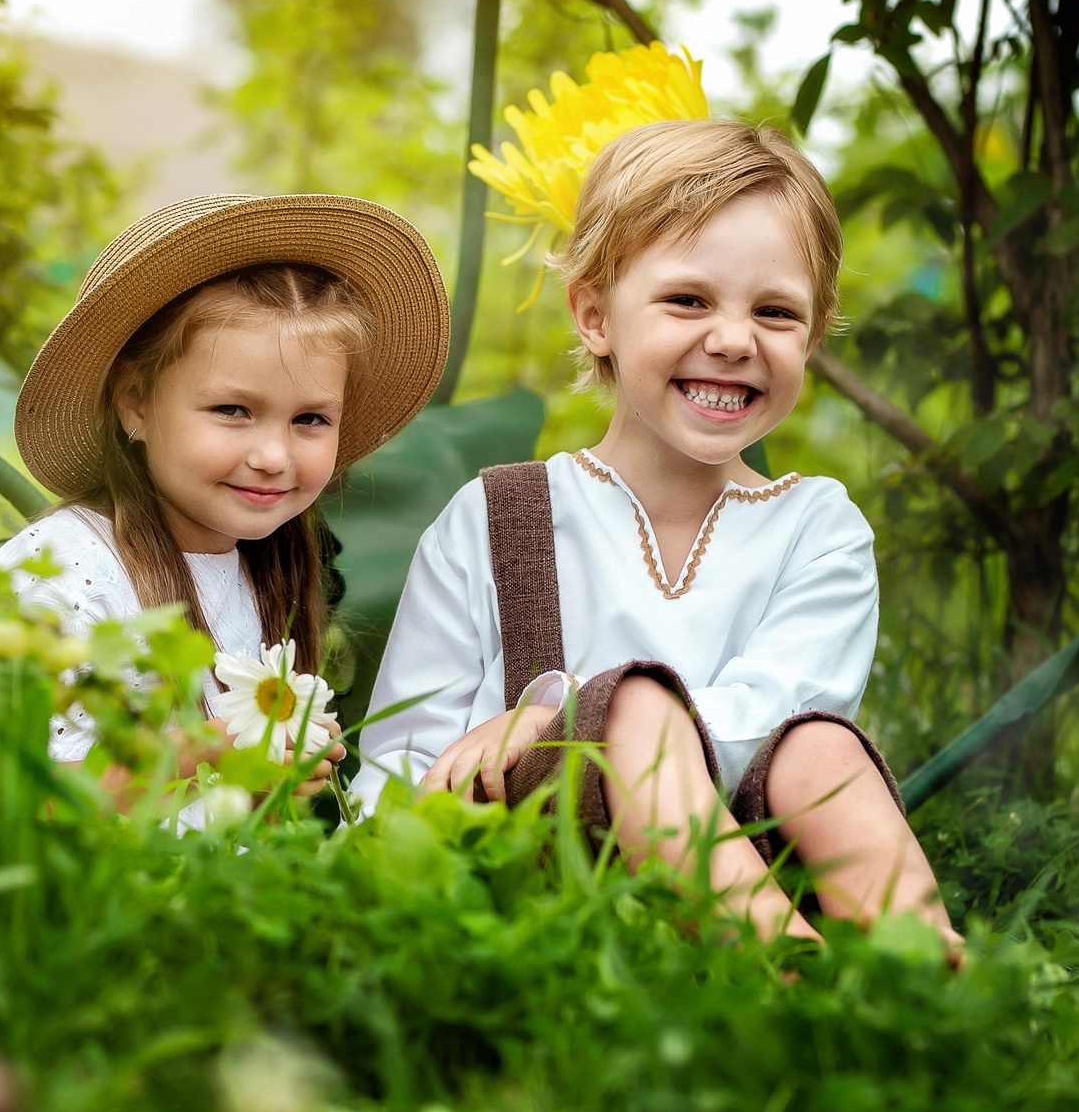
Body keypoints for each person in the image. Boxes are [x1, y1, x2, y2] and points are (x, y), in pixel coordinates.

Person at [358, 120, 961, 952]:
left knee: (819, 743)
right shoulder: (495, 517)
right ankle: (787, 980)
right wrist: (572, 732)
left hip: (755, 854)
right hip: (534, 882)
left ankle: (929, 975)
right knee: (634, 708)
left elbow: (769, 717)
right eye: (688, 300)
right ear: (595, 315)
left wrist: (559, 706)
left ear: (813, 336)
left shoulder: (817, 528)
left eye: (776, 311)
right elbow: (400, 763)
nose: (734, 339)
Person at [0, 194, 450, 815]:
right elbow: (15, 804)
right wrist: (209, 753)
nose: (273, 456)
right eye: (233, 410)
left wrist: (268, 777)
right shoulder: (62, 571)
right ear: (134, 402)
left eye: (310, 419)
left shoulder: (264, 570)